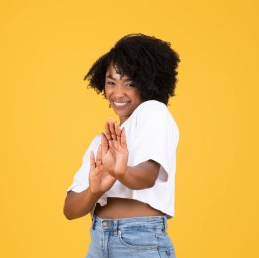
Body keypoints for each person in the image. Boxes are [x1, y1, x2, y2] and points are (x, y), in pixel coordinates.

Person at [63, 33, 180, 258]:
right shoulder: (102, 141)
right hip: (98, 240)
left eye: (130, 83)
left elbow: (147, 176)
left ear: (148, 84)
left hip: (140, 240)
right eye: (111, 82)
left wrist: (121, 171)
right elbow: (70, 209)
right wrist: (94, 191)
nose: (118, 93)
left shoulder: (153, 112)